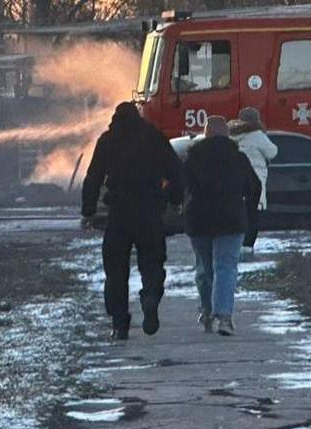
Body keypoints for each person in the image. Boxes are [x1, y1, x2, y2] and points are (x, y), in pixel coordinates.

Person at [82, 102, 183, 341]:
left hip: (119, 213)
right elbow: (176, 171)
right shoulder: (154, 137)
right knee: (152, 262)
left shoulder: (108, 140)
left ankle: (119, 323)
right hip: (150, 212)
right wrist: (173, 198)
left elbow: (93, 176)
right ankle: (150, 298)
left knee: (115, 270)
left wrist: (88, 211)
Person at [183, 116, 261, 336]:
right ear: (228, 134)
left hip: (199, 220)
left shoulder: (193, 157)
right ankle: (224, 318)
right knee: (226, 267)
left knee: (204, 269)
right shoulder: (238, 158)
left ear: (205, 134)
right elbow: (254, 186)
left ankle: (207, 311)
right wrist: (246, 206)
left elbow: (183, 185)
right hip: (231, 219)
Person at [229, 107, 277, 254]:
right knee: (252, 214)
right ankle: (247, 246)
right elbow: (272, 151)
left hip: (234, 179)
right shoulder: (257, 135)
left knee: (236, 213)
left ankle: (235, 243)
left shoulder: (230, 134)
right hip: (254, 178)